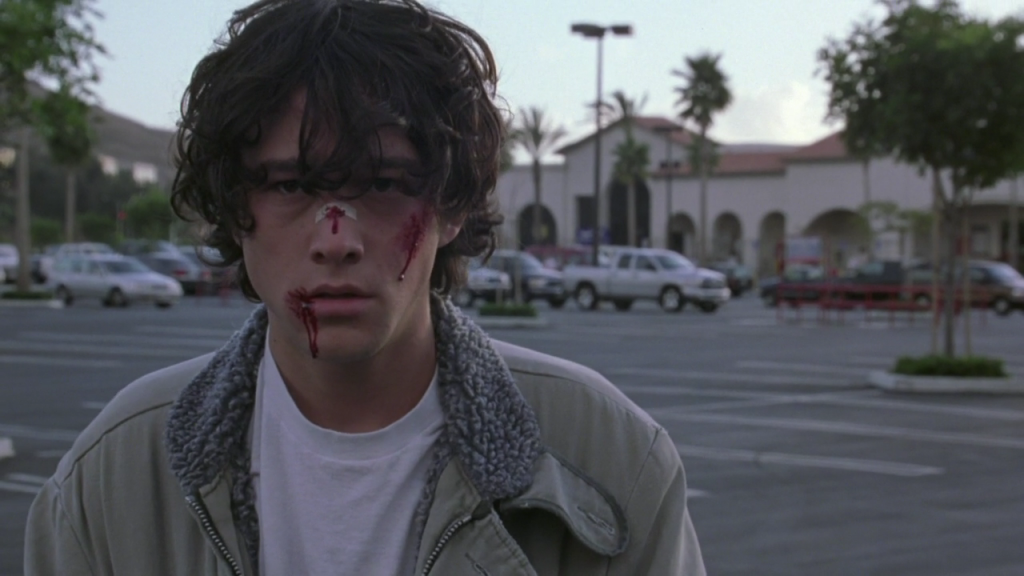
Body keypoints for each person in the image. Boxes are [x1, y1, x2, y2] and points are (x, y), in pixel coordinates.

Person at [24, 1, 704, 574]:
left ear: (451, 206)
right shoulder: (111, 476)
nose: (335, 239)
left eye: (382, 183)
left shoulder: (613, 460)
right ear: (233, 208)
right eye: (290, 185)